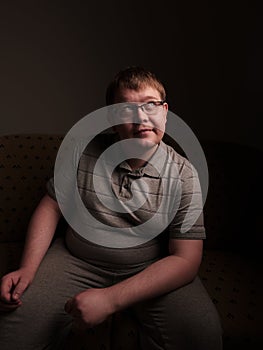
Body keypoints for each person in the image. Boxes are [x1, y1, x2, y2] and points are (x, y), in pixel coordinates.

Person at [0, 66, 223, 349]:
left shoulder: (185, 174)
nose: (141, 118)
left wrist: (110, 299)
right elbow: (51, 207)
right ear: (112, 120)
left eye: (150, 105)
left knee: (203, 334)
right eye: (126, 109)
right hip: (76, 260)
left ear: (165, 112)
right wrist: (27, 269)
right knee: (13, 327)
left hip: (148, 267)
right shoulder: (83, 150)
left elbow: (186, 260)